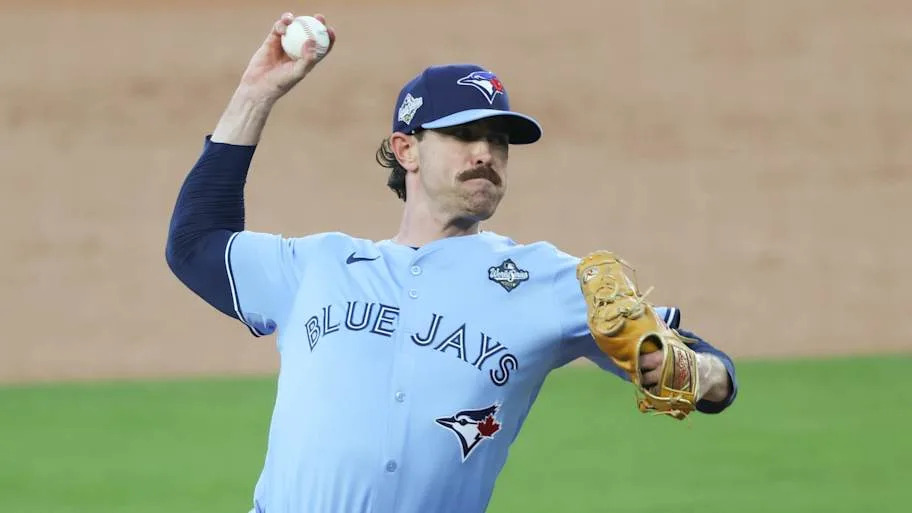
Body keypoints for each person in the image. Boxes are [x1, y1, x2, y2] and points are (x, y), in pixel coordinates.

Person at [165, 11, 738, 513]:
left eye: (499, 140)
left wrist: (692, 370)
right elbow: (194, 244)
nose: (486, 152)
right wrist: (255, 94)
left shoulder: (550, 279)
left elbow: (706, 370)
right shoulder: (319, 266)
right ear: (406, 148)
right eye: (464, 135)